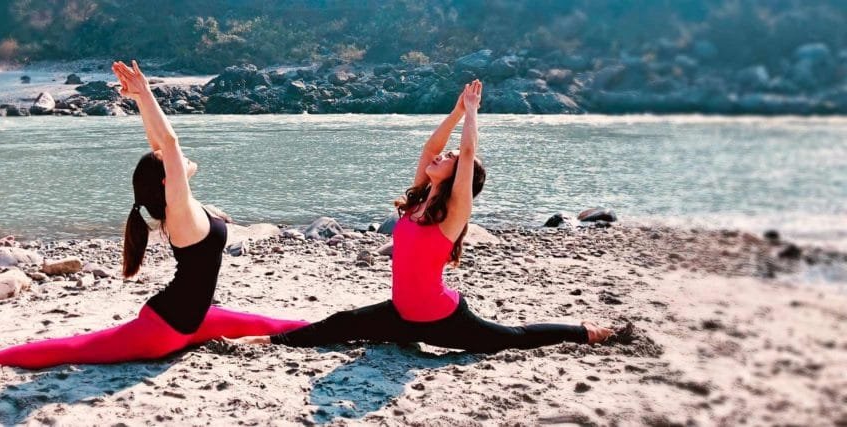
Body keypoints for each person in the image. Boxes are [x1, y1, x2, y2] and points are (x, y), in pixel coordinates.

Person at [0, 61, 307, 369]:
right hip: (164, 330)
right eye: (172, 165)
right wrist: (147, 93)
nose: (176, 159)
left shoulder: (177, 206)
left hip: (192, 319)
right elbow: (168, 144)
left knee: (283, 325)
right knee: (75, 349)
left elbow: (159, 147)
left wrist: (138, 99)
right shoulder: (181, 211)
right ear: (169, 181)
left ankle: (340, 325)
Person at [233, 80, 613, 352]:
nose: (441, 156)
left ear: (458, 176)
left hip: (443, 320)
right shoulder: (417, 200)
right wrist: (454, 111)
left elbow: (466, 154)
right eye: (443, 155)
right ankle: (269, 340)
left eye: (448, 159)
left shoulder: (453, 213)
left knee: (511, 337)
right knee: (341, 323)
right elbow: (430, 146)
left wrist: (472, 115)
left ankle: (584, 331)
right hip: (400, 314)